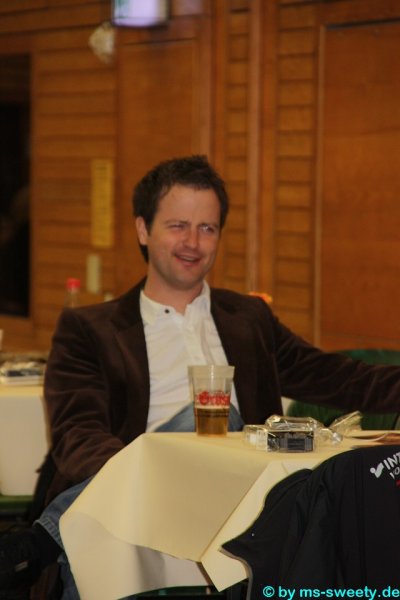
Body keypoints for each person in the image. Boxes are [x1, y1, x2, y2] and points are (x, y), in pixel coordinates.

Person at [1, 155, 400, 599]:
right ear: (142, 230)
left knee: (220, 417)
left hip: (238, 501)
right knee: (130, 493)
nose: (193, 242)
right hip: (138, 505)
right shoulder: (90, 329)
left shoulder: (249, 318)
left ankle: (43, 538)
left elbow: (335, 376)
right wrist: (150, 472)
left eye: (207, 228)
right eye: (178, 226)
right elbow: (78, 434)